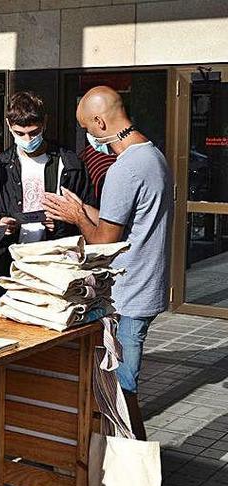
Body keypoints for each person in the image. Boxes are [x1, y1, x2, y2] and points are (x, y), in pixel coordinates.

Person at [43, 86, 173, 440]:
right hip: (145, 287)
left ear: (100, 121)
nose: (88, 138)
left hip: (129, 295)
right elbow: (122, 221)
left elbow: (104, 240)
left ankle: (132, 470)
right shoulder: (151, 154)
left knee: (120, 392)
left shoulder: (125, 168)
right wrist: (81, 210)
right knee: (118, 389)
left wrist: (76, 217)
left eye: (87, 128)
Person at [0, 91, 94, 294]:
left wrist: (61, 223)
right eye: (19, 133)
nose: (27, 139)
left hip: (55, 263)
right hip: (9, 263)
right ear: (8, 125)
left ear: (45, 123)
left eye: (34, 132)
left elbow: (89, 215)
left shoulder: (70, 164)